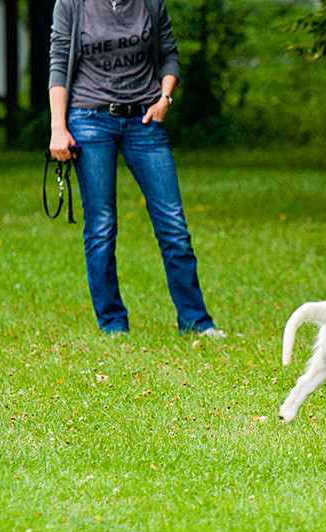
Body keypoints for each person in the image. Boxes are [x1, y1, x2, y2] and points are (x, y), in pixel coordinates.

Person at [47, 0, 224, 338]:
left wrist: (165, 99)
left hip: (145, 120)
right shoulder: (72, 4)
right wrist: (59, 127)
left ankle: (196, 322)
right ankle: (113, 323)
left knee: (174, 226)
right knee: (100, 226)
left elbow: (169, 56)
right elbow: (58, 64)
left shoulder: (149, 3)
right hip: (90, 120)